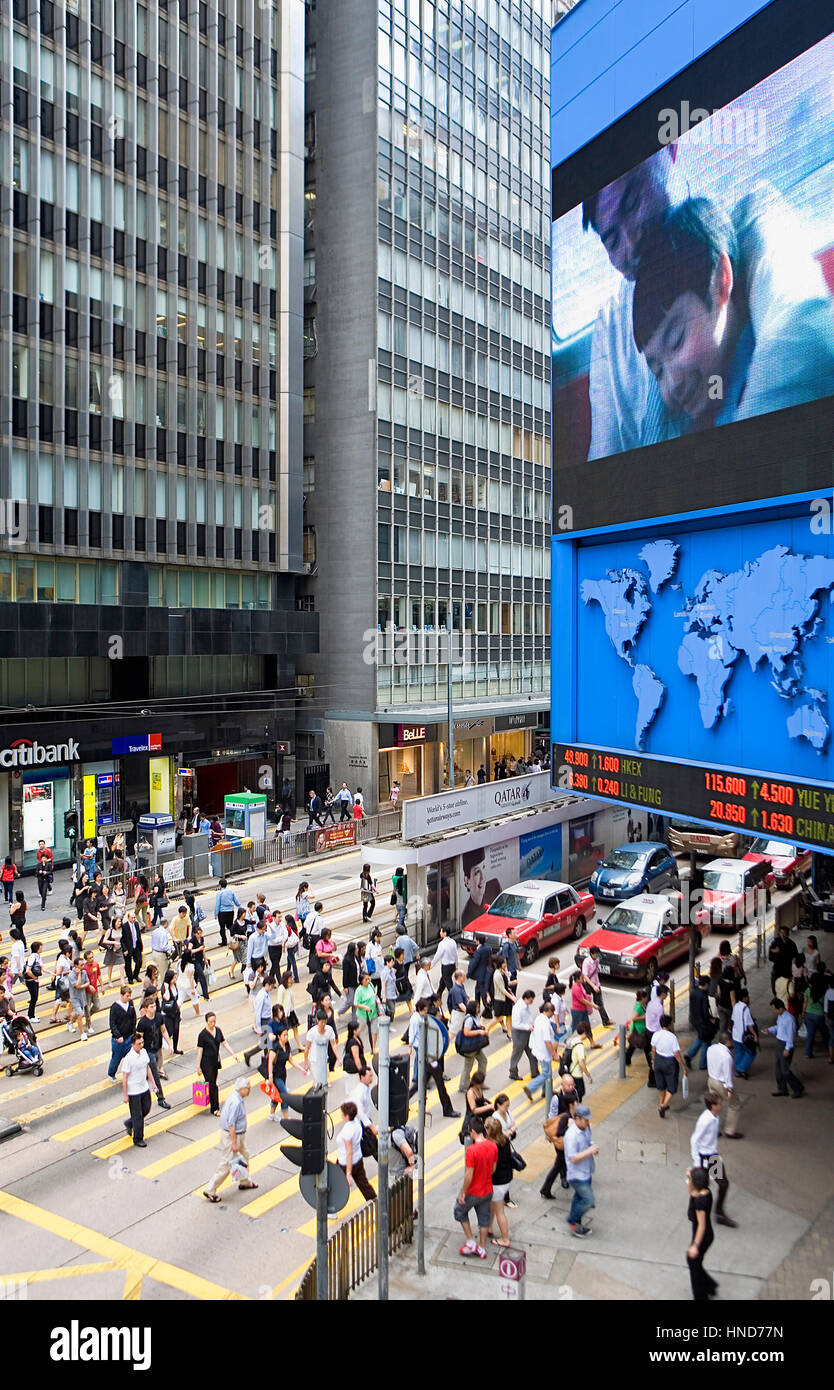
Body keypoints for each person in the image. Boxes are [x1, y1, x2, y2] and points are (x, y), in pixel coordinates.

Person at [632, 196, 834, 443]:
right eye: (658, 371)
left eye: (676, 340)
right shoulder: (717, 380)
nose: (672, 384)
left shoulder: (761, 353)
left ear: (721, 281)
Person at [203, 1077, 259, 1201]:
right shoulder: (236, 1102)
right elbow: (231, 1124)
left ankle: (244, 1181)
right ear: (242, 1089)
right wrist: (234, 1143)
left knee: (244, 1156)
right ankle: (210, 1189)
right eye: (248, 1088)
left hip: (238, 1135)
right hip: (232, 1136)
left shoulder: (235, 1097)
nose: (249, 1090)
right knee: (227, 1163)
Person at [690, 1093, 737, 1230]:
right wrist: (697, 1163)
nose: (722, 1105)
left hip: (712, 1155)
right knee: (704, 1186)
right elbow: (694, 1140)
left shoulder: (714, 1117)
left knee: (721, 1184)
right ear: (713, 1106)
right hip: (706, 1157)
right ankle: (707, 1212)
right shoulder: (706, 1120)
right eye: (719, 1103)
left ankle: (715, 1212)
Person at [407, 998, 459, 1117]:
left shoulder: (422, 1018)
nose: (426, 1012)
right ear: (419, 1009)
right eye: (424, 1010)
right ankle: (447, 1110)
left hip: (427, 1054)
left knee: (420, 1084)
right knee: (439, 1084)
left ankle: (403, 1105)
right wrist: (410, 1047)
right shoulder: (416, 1020)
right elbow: (412, 1034)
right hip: (427, 1055)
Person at [454, 1115, 497, 1259]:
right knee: (484, 1219)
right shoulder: (493, 1146)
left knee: (459, 1210)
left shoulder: (471, 1150)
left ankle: (471, 1241)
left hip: (473, 1191)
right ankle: (482, 1247)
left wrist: (462, 1192)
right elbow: (493, 1169)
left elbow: (469, 1175)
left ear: (472, 1131)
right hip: (488, 1189)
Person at [120, 1032, 161, 1148]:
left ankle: (130, 1123)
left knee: (146, 1109)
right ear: (133, 1044)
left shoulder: (143, 1052)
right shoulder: (129, 1058)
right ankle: (138, 1138)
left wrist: (153, 1083)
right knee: (137, 1115)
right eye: (139, 1044)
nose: (141, 1045)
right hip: (133, 1091)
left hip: (144, 1087)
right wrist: (125, 1095)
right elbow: (125, 1077)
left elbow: (147, 1068)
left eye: (142, 1042)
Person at [196, 1011, 240, 1115]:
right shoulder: (202, 1035)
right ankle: (215, 1109)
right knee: (213, 1085)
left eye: (214, 1021)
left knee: (213, 1083)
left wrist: (233, 1055)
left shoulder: (218, 1030)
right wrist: (198, 1066)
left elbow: (224, 1043)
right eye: (210, 1022)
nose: (213, 1023)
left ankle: (213, 1104)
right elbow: (200, 1051)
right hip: (206, 1063)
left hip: (215, 1061)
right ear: (206, 1022)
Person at [564, 1103, 598, 1237]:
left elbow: (588, 1142)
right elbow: (572, 1158)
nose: (587, 1122)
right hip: (576, 1175)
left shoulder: (586, 1129)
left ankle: (576, 1223)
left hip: (586, 1170)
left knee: (579, 1197)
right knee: (588, 1200)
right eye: (585, 1119)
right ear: (577, 1119)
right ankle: (572, 1219)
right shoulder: (571, 1136)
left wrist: (592, 1147)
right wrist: (589, 1151)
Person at [261, 1025, 308, 1120]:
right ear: (279, 1036)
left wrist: (301, 1069)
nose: (286, 1037)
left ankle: (272, 1114)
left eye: (287, 1035)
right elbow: (270, 1062)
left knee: (277, 1093)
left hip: (283, 1074)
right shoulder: (275, 1048)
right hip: (275, 1076)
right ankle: (286, 1117)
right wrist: (270, 1077)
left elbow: (291, 1060)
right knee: (284, 1095)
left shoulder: (287, 1046)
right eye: (284, 1035)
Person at [136, 997, 173, 1109]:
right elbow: (138, 1039)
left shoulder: (159, 1017)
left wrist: (170, 1044)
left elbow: (163, 1030)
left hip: (157, 1048)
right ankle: (161, 1098)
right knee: (155, 1075)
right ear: (146, 1009)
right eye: (151, 1007)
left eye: (154, 1006)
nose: (154, 1008)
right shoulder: (142, 1023)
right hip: (148, 1051)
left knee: (154, 1072)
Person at [540, 1090, 578, 1199]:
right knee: (557, 1167)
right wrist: (569, 1127)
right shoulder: (566, 1117)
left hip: (566, 1146)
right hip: (562, 1146)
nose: (577, 1104)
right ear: (571, 1104)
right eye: (576, 1103)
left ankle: (546, 1189)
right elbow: (560, 1132)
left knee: (558, 1167)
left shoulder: (571, 1115)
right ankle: (545, 1189)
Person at [336, 1100, 376, 1201]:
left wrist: (348, 1173)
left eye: (342, 1113)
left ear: (346, 1116)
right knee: (364, 1184)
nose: (341, 1115)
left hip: (345, 1163)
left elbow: (349, 1152)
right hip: (358, 1159)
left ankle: (332, 1207)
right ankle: (375, 1202)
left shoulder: (347, 1132)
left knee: (335, 1184)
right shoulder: (357, 1123)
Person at [484, 1115, 514, 1247]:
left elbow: (491, 1168)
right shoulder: (504, 1139)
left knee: (499, 1211)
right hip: (506, 1178)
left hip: (497, 1182)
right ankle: (489, 1227)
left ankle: (505, 1239)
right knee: (493, 1205)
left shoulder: (491, 1146)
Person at [767, 997, 804, 1099]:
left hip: (785, 1044)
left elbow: (791, 1036)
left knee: (785, 1070)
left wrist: (787, 1048)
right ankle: (782, 1089)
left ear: (780, 1008)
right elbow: (778, 1028)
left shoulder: (790, 1019)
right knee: (778, 1069)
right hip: (779, 1042)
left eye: (774, 1009)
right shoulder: (781, 1017)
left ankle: (798, 1087)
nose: (774, 1011)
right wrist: (770, 1030)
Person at [651, 1012, 686, 1118]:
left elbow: (653, 1050)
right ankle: (663, 1106)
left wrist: (653, 1061)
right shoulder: (672, 1037)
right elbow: (676, 1054)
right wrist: (683, 1066)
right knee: (671, 1087)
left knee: (661, 1085)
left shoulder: (656, 1034)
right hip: (670, 1063)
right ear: (669, 1024)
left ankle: (661, 1104)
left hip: (658, 1060)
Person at [523, 1002, 559, 1100]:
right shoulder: (545, 1023)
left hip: (538, 1049)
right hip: (544, 1052)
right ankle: (530, 1087)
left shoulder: (539, 1018)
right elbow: (547, 1041)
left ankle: (546, 1091)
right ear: (549, 1011)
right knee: (546, 1073)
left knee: (547, 1071)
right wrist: (554, 1054)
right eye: (553, 1012)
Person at [460, 848, 502, 931]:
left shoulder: (494, 887)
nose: (483, 878)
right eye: (477, 872)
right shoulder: (467, 916)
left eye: (483, 867)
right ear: (467, 881)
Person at [456, 1000, 490, 1092]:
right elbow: (466, 1032)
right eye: (477, 1007)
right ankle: (463, 1086)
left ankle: (479, 1082)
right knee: (468, 1067)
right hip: (470, 1048)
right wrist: (480, 1031)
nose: (479, 1009)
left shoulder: (473, 1017)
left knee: (483, 1061)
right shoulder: (469, 1019)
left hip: (475, 1046)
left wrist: (481, 1027)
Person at [685, 974, 716, 1071]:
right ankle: (703, 1064)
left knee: (701, 1038)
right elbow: (705, 1012)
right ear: (706, 984)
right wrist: (711, 1019)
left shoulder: (693, 992)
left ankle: (690, 1055)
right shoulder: (703, 995)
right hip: (703, 1021)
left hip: (695, 1020)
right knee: (707, 1041)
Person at [508, 988, 539, 1082]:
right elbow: (516, 1024)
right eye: (531, 1000)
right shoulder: (519, 1007)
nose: (532, 1001)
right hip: (519, 1033)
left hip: (527, 1032)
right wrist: (528, 1027)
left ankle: (535, 1072)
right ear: (526, 998)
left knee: (532, 1052)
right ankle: (513, 1072)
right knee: (517, 1054)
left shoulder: (525, 1005)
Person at [107, 984, 137, 1079]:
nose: (128, 998)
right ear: (121, 995)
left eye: (129, 996)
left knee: (131, 1057)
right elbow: (112, 1024)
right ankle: (111, 1074)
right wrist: (118, 1035)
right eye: (127, 996)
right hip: (118, 1040)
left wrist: (133, 1032)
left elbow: (134, 1018)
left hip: (129, 1037)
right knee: (116, 1058)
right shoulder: (115, 1007)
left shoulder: (130, 1004)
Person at [349, 1067, 379, 1160]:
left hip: (365, 1122)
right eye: (369, 1076)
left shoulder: (366, 1088)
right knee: (370, 1146)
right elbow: (360, 1112)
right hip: (360, 1123)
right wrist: (371, 1126)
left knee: (373, 1146)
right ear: (362, 1077)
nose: (371, 1078)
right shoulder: (359, 1092)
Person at [581, 945, 612, 1028]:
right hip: (588, 984)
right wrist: (593, 986)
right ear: (591, 954)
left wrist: (597, 984)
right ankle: (583, 1023)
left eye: (598, 954)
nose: (597, 956)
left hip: (596, 984)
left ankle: (606, 1020)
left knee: (600, 1003)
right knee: (586, 1004)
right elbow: (585, 976)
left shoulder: (597, 959)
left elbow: (595, 972)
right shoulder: (586, 962)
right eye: (596, 954)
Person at [730, 986, 758, 1079]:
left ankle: (738, 1069)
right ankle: (742, 1069)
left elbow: (733, 1019)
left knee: (738, 1052)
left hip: (736, 1034)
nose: (748, 998)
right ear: (744, 998)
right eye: (747, 996)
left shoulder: (736, 1006)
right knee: (751, 1053)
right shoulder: (745, 1009)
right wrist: (754, 1035)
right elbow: (749, 1024)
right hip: (744, 1036)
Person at [305, 1009, 337, 1087]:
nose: (323, 1024)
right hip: (314, 1060)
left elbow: (333, 1044)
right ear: (317, 1021)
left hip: (324, 1059)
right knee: (318, 1082)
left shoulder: (329, 1030)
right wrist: (306, 1064)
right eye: (321, 1022)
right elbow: (307, 1049)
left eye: (325, 1022)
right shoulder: (312, 1033)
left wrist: (338, 1058)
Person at [802, 970, 830, 1059]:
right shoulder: (824, 990)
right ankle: (829, 1049)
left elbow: (805, 1003)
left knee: (810, 1033)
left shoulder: (807, 990)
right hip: (820, 1015)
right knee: (824, 1033)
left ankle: (807, 1052)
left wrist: (803, 1013)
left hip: (808, 1014)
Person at [768, 924, 798, 1004]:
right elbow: (770, 957)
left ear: (788, 934)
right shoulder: (775, 943)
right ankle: (777, 998)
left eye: (784, 933)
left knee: (787, 986)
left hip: (787, 969)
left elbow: (796, 956)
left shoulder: (791, 944)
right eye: (781, 933)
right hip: (777, 969)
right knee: (774, 986)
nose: (782, 935)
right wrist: (775, 952)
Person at [466, 934, 493, 1015]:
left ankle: (487, 1010)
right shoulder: (488, 948)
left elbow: (474, 963)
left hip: (480, 975)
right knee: (477, 991)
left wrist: (468, 974)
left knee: (482, 992)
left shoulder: (479, 951)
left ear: (478, 941)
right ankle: (477, 1006)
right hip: (486, 972)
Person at [624, 987, 651, 1069]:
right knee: (646, 1047)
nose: (647, 999)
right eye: (646, 997)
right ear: (643, 998)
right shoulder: (639, 1006)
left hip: (640, 1028)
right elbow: (634, 1018)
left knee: (632, 1046)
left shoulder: (641, 1004)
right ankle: (651, 1064)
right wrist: (644, 1017)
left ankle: (627, 1060)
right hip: (639, 1029)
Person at [354, 971, 379, 1049]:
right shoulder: (359, 990)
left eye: (369, 979)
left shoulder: (371, 985)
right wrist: (364, 1007)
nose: (368, 981)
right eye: (366, 980)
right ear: (361, 981)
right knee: (359, 1031)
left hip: (373, 1013)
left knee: (374, 1030)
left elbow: (374, 994)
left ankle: (373, 1047)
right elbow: (356, 1003)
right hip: (363, 1015)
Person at [160, 970, 183, 1055]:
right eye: (173, 978)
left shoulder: (175, 985)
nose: (175, 979)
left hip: (175, 1011)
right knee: (170, 1030)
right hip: (168, 1013)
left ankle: (175, 1048)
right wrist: (166, 986)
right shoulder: (164, 988)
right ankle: (167, 1044)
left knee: (176, 1030)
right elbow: (167, 997)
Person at [214, 879, 242, 948]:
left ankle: (224, 941)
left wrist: (216, 914)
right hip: (230, 911)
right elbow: (236, 901)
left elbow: (217, 904)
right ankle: (235, 937)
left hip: (222, 912)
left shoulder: (219, 893)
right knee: (230, 925)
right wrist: (240, 907)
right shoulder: (231, 892)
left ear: (220, 885)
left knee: (222, 927)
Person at [23, 939, 43, 1021]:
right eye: (40, 947)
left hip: (34, 980)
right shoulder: (32, 957)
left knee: (34, 998)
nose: (41, 949)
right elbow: (28, 970)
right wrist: (34, 977)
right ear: (37, 948)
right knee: (34, 998)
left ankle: (31, 1015)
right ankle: (30, 1016)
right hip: (31, 981)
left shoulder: (37, 956)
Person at [121, 912, 143, 986]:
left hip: (136, 946)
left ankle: (135, 975)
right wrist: (124, 949)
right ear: (128, 918)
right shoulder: (124, 926)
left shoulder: (136, 924)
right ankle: (130, 978)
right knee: (128, 964)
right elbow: (122, 939)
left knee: (139, 962)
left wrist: (140, 946)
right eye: (132, 918)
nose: (133, 919)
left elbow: (138, 935)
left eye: (134, 918)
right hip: (128, 947)